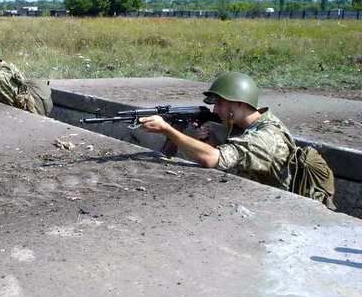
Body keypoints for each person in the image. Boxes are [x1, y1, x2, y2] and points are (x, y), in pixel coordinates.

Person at [139, 72, 334, 206]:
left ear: (240, 104)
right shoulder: (241, 125)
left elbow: (212, 159)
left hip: (278, 206)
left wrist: (167, 130)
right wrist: (210, 138)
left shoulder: (265, 138)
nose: (215, 110)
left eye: (221, 104)